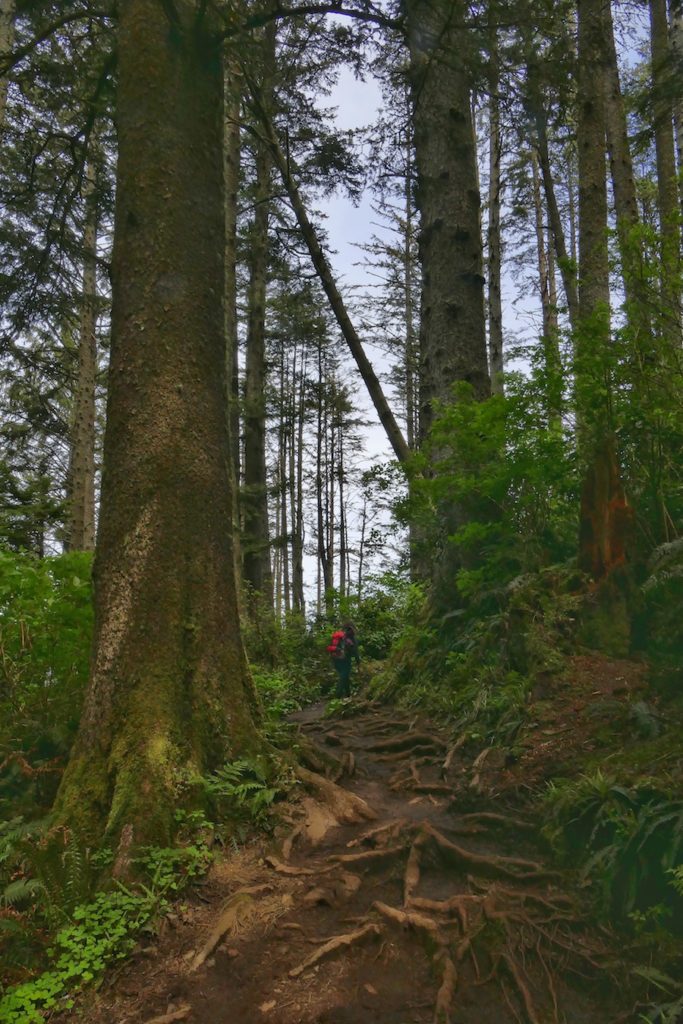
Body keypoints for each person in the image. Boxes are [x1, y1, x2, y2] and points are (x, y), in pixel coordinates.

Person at [328, 622, 360, 699]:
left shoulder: (338, 636)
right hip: (345, 660)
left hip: (335, 659)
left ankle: (348, 694)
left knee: (345, 676)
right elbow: (355, 652)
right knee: (344, 676)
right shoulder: (351, 638)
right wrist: (358, 662)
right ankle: (338, 695)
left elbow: (330, 647)